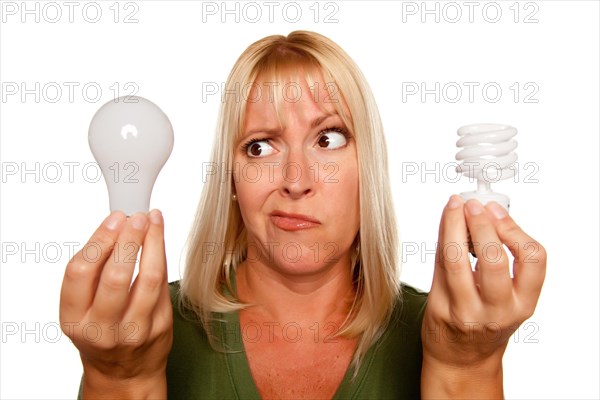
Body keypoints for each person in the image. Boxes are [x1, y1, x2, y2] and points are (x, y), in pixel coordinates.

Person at [60, 30, 546, 399]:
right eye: (260, 146)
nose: (296, 178)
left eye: (328, 138)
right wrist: (119, 377)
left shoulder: (450, 332)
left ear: (367, 170)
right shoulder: (140, 332)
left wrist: (468, 368)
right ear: (231, 179)